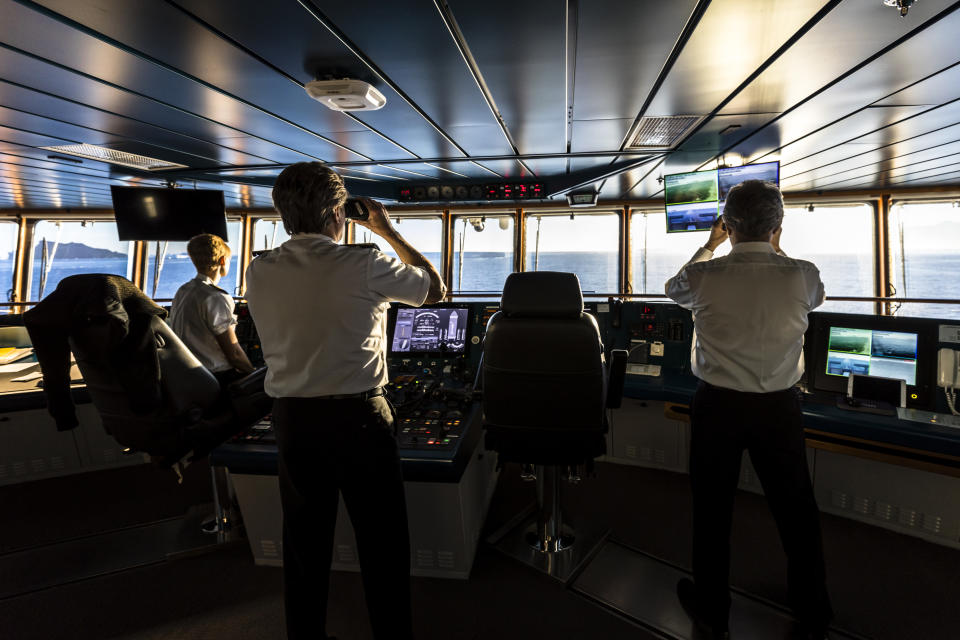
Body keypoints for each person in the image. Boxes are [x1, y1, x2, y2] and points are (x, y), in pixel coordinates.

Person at [244, 162, 445, 640]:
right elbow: (435, 290)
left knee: (304, 546)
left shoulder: (259, 269)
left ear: (282, 214)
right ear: (338, 212)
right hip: (358, 419)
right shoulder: (364, 262)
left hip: (292, 420)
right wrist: (386, 230)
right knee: (382, 545)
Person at [665, 180, 833, 640]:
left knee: (712, 510)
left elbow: (672, 288)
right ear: (777, 226)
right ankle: (812, 605)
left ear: (728, 225)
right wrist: (775, 248)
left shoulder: (704, 276)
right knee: (796, 509)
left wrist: (709, 244)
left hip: (718, 406)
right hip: (779, 408)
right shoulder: (803, 274)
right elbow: (814, 298)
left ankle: (713, 609)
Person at [169, 233, 255, 387]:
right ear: (222, 260)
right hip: (216, 378)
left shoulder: (183, 291)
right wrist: (253, 373)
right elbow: (234, 355)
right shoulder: (215, 297)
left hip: (186, 375)